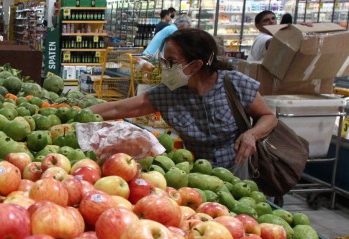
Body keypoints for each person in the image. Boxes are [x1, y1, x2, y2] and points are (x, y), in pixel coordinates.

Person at [88, 28, 278, 178]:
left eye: (171, 62)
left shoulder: (234, 83)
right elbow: (117, 107)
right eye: (163, 61)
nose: (164, 68)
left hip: (245, 174)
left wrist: (252, 135)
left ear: (195, 65)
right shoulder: (169, 93)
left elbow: (268, 117)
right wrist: (78, 112)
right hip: (197, 177)